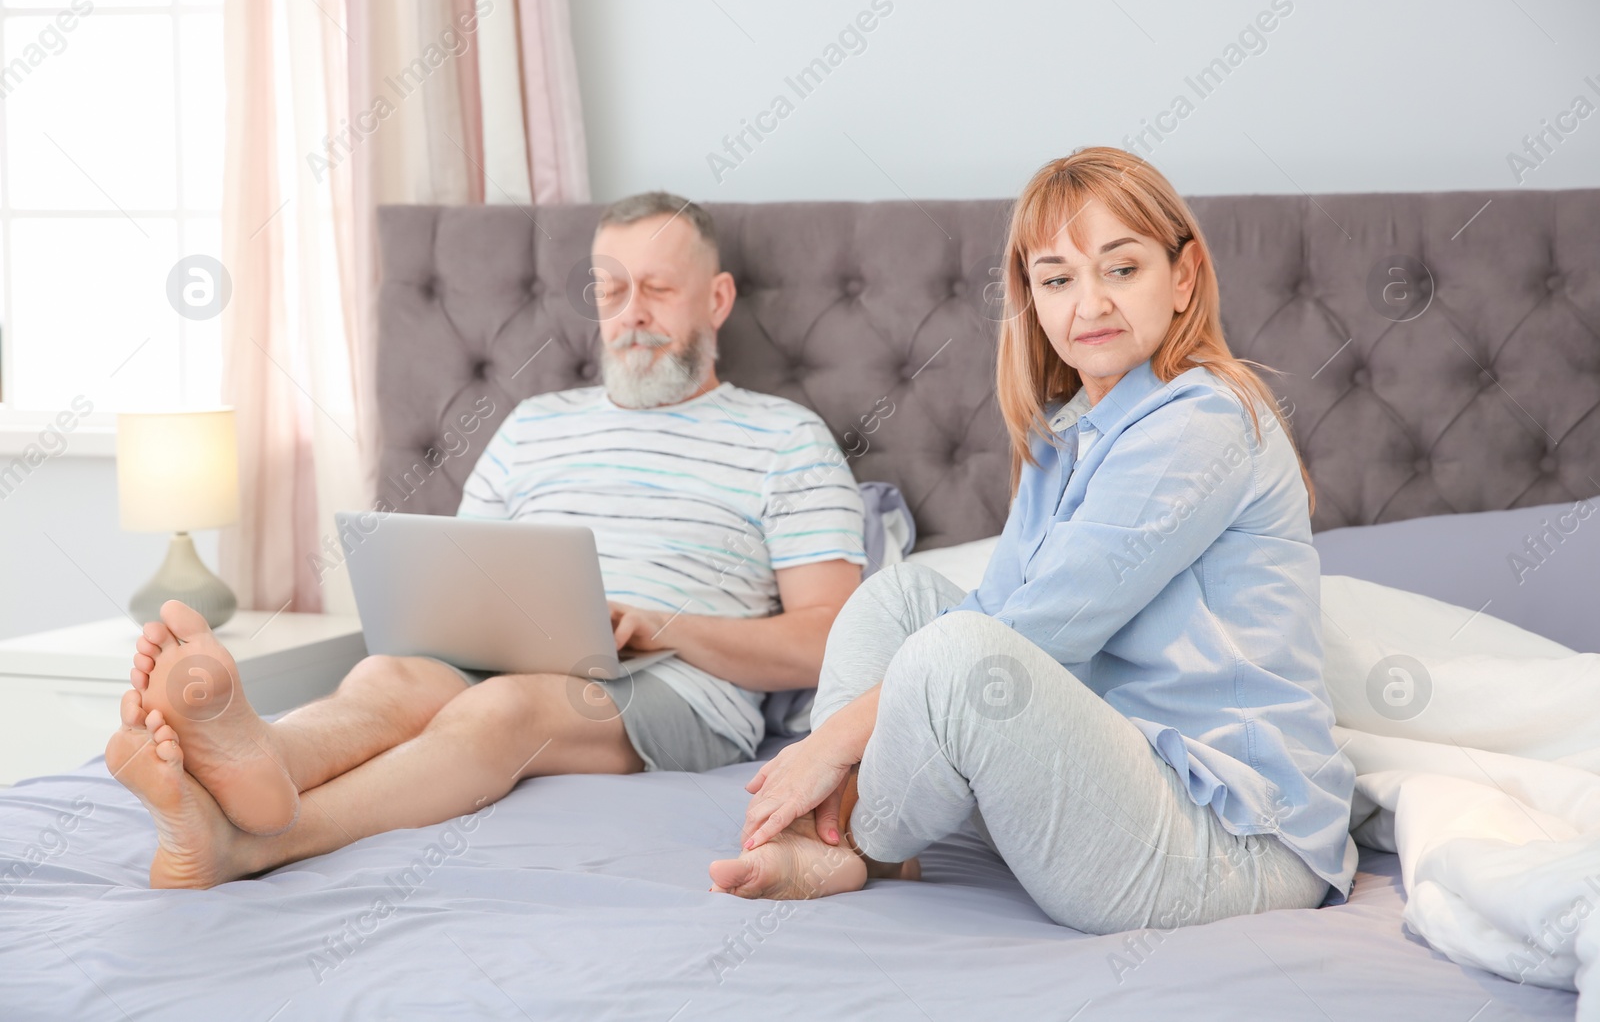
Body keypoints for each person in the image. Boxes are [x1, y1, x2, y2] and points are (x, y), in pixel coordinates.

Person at [106, 192, 867, 889]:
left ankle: (255, 843)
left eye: (659, 289)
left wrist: (662, 626)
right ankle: (259, 756)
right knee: (387, 676)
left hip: (682, 690)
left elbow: (827, 638)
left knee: (505, 709)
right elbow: (457, 577)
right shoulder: (532, 425)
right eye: (611, 290)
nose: (632, 311)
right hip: (504, 655)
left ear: (718, 297)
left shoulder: (785, 438)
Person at [708, 147, 1358, 934]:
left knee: (957, 656)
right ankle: (852, 837)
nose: (1091, 304)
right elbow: (993, 606)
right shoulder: (1068, 435)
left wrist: (829, 746)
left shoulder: (1203, 419)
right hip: (1117, 777)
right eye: (1058, 279)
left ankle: (846, 833)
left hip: (1230, 842)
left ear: (1183, 277)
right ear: (1034, 302)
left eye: (1121, 269)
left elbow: (1032, 635)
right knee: (902, 596)